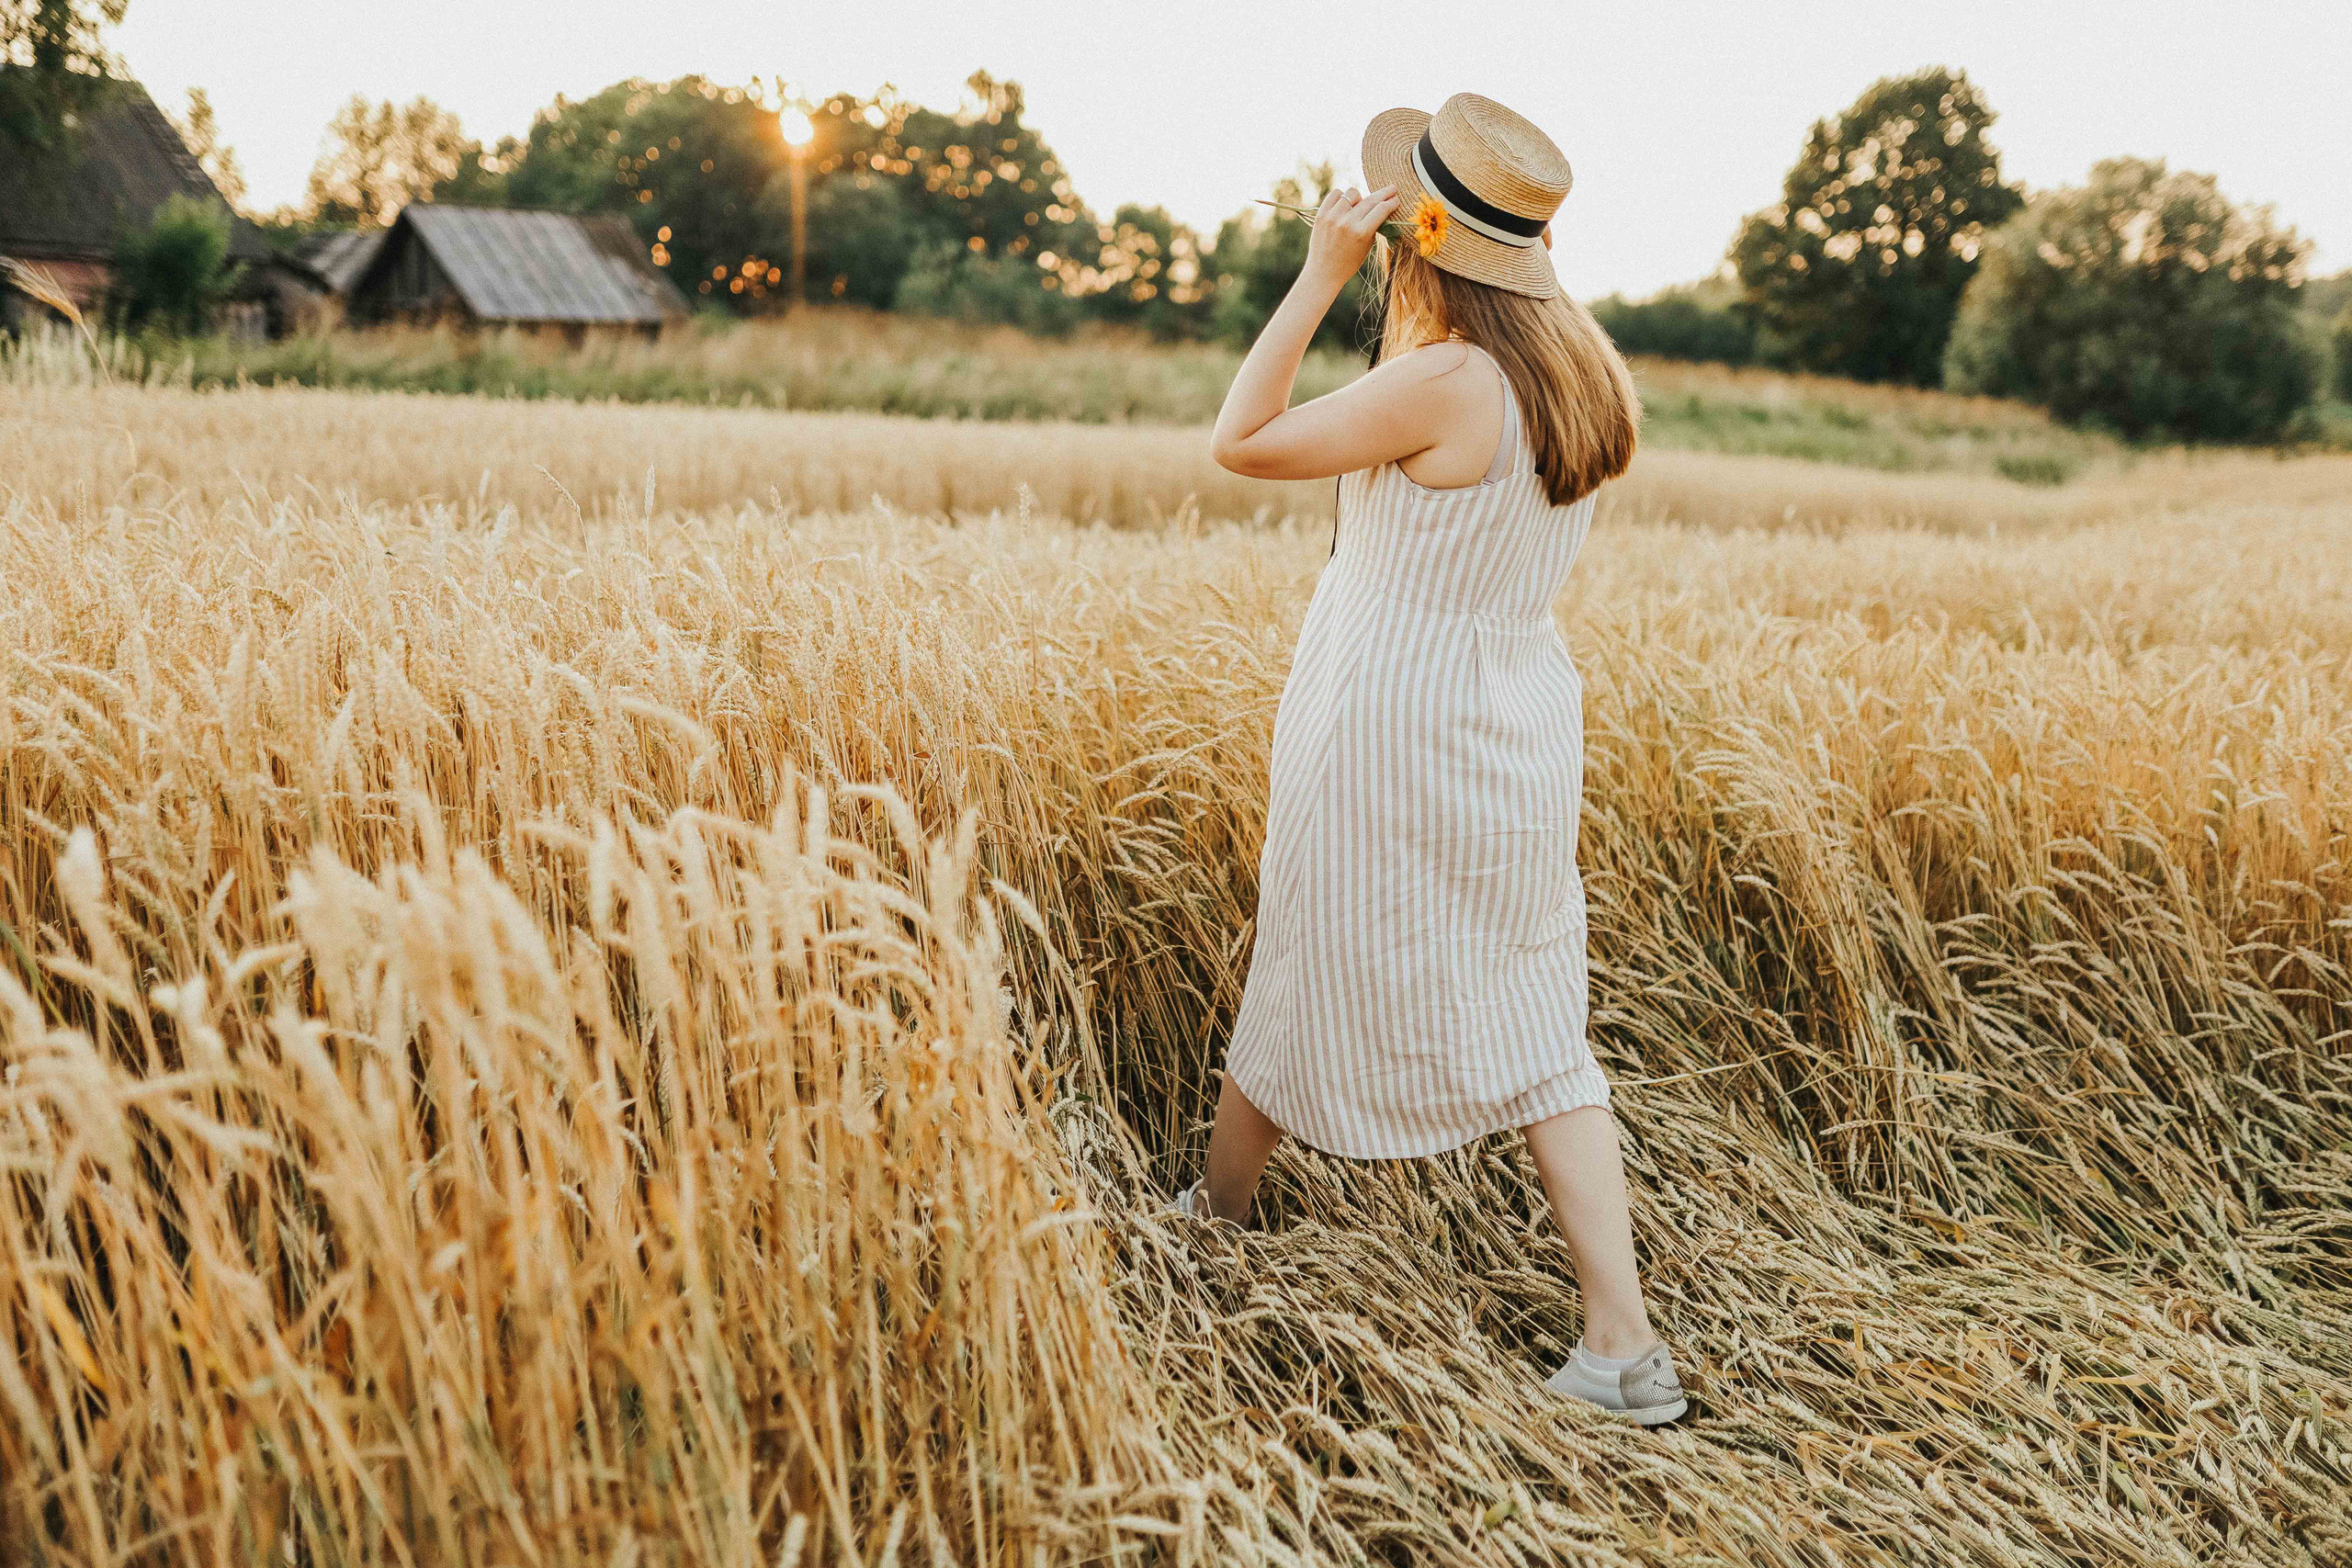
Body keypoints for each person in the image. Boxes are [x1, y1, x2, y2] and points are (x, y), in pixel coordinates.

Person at [1177, 93, 1686, 1426]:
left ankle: (1211, 1225)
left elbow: (1240, 441)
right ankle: (1621, 1346)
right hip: (1518, 712)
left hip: (1389, 714)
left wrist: (1315, 277)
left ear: (1422, 237)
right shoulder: (1580, 365)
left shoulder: (1446, 379)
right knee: (1534, 1010)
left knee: (1309, 943)